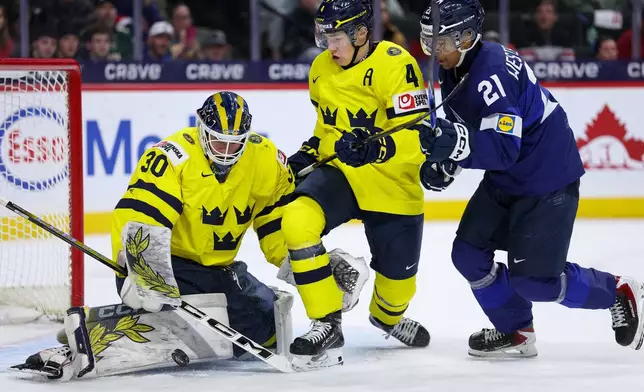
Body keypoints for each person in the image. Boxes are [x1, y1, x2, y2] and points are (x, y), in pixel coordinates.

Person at [12, 92, 366, 380]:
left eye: (234, 144)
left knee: (265, 331)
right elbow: (140, 215)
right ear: (200, 129)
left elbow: (275, 229)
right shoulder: (172, 157)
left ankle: (111, 327)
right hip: (167, 265)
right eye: (218, 142)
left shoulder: (266, 161)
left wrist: (313, 269)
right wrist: (143, 270)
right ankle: (86, 337)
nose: (225, 153)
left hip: (220, 269)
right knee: (181, 319)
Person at [413, 0, 644, 358]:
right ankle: (516, 330)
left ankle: (616, 291)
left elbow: (504, 148)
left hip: (546, 178)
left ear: (467, 36)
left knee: (535, 281)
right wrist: (448, 160)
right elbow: (474, 129)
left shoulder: (491, 74)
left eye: (439, 42)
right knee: (469, 254)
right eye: (429, 41)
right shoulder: (456, 66)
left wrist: (456, 146)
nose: (432, 51)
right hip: (508, 178)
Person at [281, 0, 431, 368]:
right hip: (342, 176)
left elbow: (420, 139)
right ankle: (327, 321)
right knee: (297, 220)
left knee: (397, 291)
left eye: (336, 37)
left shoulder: (397, 64)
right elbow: (325, 129)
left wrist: (377, 147)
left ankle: (388, 318)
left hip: (392, 185)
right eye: (324, 36)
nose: (329, 46)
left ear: (361, 33)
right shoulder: (319, 69)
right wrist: (309, 152)